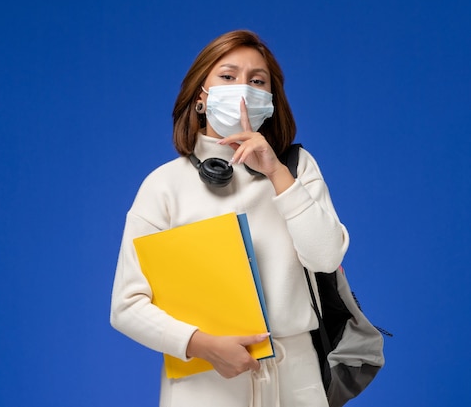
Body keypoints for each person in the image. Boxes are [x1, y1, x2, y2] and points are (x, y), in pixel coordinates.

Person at [110, 30, 349, 407]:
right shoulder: (163, 186)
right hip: (207, 380)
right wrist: (199, 344)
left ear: (270, 102)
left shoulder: (297, 169)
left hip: (296, 378)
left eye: (257, 81)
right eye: (227, 76)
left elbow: (325, 257)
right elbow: (126, 306)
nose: (243, 89)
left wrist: (276, 173)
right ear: (200, 98)